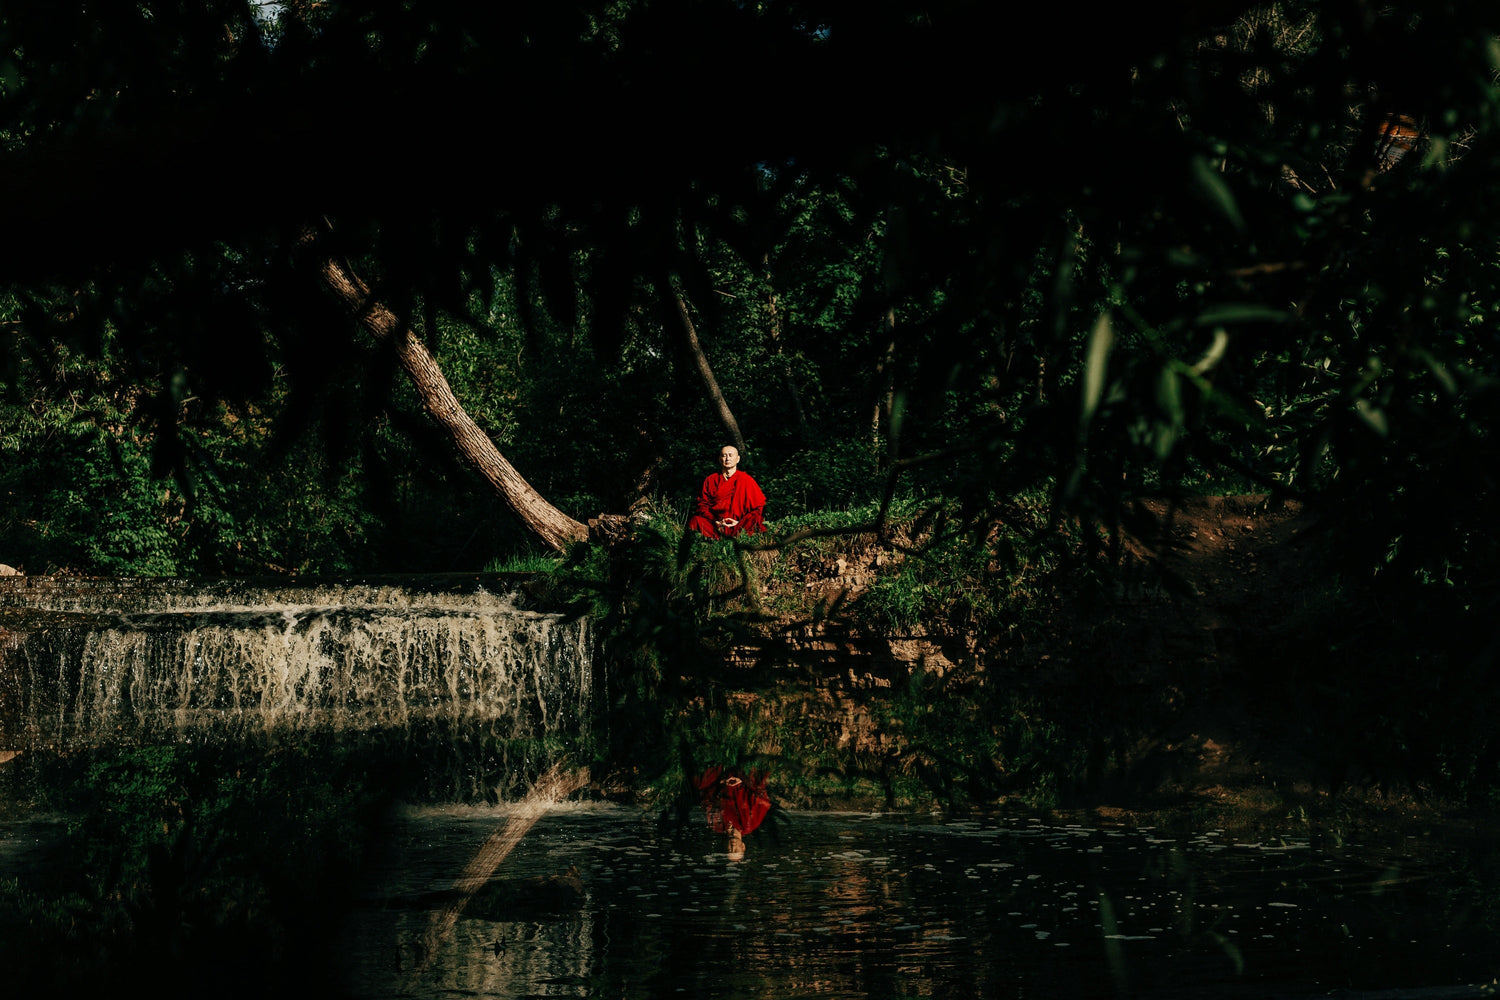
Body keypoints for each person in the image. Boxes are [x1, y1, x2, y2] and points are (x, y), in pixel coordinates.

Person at [686, 445, 766, 540]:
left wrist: (738, 522)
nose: (727, 458)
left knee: (754, 519)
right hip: (716, 525)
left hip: (739, 524)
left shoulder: (746, 480)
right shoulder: (711, 480)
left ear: (738, 459)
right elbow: (702, 505)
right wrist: (715, 521)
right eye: (724, 455)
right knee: (695, 520)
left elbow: (758, 508)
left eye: (730, 455)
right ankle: (717, 538)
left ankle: (734, 537)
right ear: (720, 459)